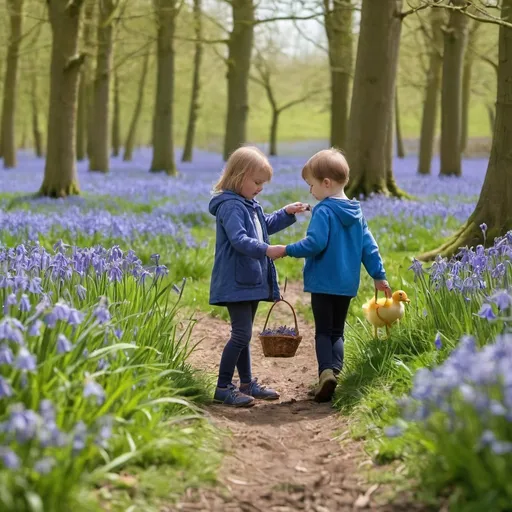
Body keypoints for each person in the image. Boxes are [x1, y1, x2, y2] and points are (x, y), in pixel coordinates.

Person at [268, 148, 392, 403]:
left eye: (311, 185)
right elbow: (369, 247)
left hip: (323, 283)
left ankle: (325, 373)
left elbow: (315, 244)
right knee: (338, 332)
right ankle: (335, 372)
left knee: (323, 331)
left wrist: (287, 250)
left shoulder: (323, 211)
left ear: (326, 183)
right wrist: (379, 275)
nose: (311, 192)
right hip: (347, 284)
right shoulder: (357, 213)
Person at [209, 146, 309, 407]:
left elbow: (263, 226)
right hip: (235, 280)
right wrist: (266, 250)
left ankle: (246, 383)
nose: (260, 188)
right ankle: (222, 386)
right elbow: (240, 240)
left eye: (262, 184)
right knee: (240, 334)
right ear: (238, 176)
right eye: (256, 182)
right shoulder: (230, 207)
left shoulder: (249, 205)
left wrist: (286, 213)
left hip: (249, 279)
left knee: (244, 334)